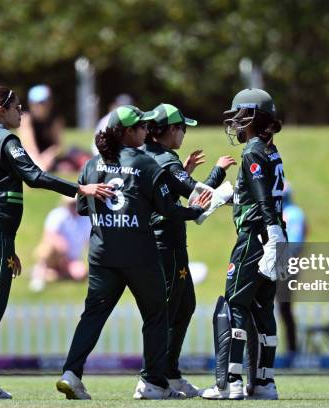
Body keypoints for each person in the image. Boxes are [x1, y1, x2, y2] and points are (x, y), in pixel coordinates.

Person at [0, 86, 113, 398]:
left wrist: (9, 244)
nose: (22, 112)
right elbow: (35, 176)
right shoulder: (5, 139)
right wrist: (80, 189)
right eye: (17, 107)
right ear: (2, 110)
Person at [55, 105, 212, 400]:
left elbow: (80, 207)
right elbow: (167, 208)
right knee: (157, 314)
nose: (146, 131)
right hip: (139, 255)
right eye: (141, 126)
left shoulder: (92, 164)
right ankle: (153, 382)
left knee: (92, 315)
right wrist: (195, 211)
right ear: (129, 132)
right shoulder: (145, 163)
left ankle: (71, 374)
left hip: (102, 256)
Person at [142, 103, 236, 397]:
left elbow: (172, 189)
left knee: (183, 306)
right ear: (170, 130)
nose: (183, 134)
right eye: (182, 128)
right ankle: (153, 379)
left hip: (161, 242)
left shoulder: (151, 155)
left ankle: (169, 374)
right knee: (168, 311)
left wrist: (184, 171)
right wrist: (220, 174)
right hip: (165, 243)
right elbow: (199, 197)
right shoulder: (166, 160)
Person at [201, 88, 285, 400]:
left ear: (252, 116)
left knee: (234, 304)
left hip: (255, 237)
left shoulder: (251, 150)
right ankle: (264, 383)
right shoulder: (268, 148)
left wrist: (271, 229)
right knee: (263, 308)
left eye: (239, 115)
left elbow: (262, 195)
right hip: (272, 235)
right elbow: (255, 191)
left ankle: (230, 382)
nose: (235, 122)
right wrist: (227, 196)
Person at [29, 196, 91, 292]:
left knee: (80, 274)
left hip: (71, 259)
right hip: (55, 255)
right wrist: (60, 244)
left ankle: (46, 273)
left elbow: (89, 242)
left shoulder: (86, 219)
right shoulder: (57, 214)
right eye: (72, 204)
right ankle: (39, 275)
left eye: (76, 203)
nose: (74, 206)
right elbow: (48, 236)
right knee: (47, 249)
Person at [276, 182, 307, 356]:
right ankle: (290, 348)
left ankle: (291, 349)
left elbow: (294, 243)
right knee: (283, 309)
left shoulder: (292, 213)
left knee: (283, 308)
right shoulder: (294, 212)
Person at [18, 85, 64, 171]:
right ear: (30, 104)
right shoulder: (26, 120)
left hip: (49, 157)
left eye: (43, 102)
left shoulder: (55, 120)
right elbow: (29, 147)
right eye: (36, 103)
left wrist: (49, 155)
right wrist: (40, 162)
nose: (40, 106)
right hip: (31, 155)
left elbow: (58, 146)